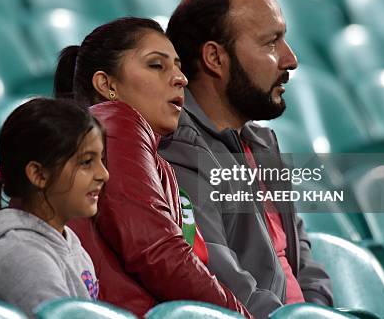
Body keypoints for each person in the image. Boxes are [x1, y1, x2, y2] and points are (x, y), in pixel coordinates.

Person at [159, 0, 333, 318]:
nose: (290, 59)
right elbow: (220, 283)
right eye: (271, 43)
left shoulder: (263, 144)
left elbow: (306, 266)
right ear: (215, 58)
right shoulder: (179, 152)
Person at [55, 17, 252, 318]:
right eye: (156, 66)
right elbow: (157, 252)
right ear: (107, 84)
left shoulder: (147, 152)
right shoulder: (114, 122)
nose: (180, 79)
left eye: (178, 67)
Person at [0, 98, 108, 316]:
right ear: (39, 174)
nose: (103, 174)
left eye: (101, 160)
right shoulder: (22, 255)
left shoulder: (68, 243)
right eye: (87, 162)